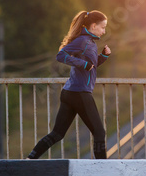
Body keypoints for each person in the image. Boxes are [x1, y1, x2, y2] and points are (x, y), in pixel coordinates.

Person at [27, 10, 111, 159]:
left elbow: (91, 66)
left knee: (57, 134)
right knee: (99, 132)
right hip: (80, 93)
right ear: (93, 26)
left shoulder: (89, 42)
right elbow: (61, 55)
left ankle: (29, 159)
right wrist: (82, 64)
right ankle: (103, 170)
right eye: (102, 27)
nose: (104, 31)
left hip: (70, 92)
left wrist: (103, 56)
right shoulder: (83, 41)